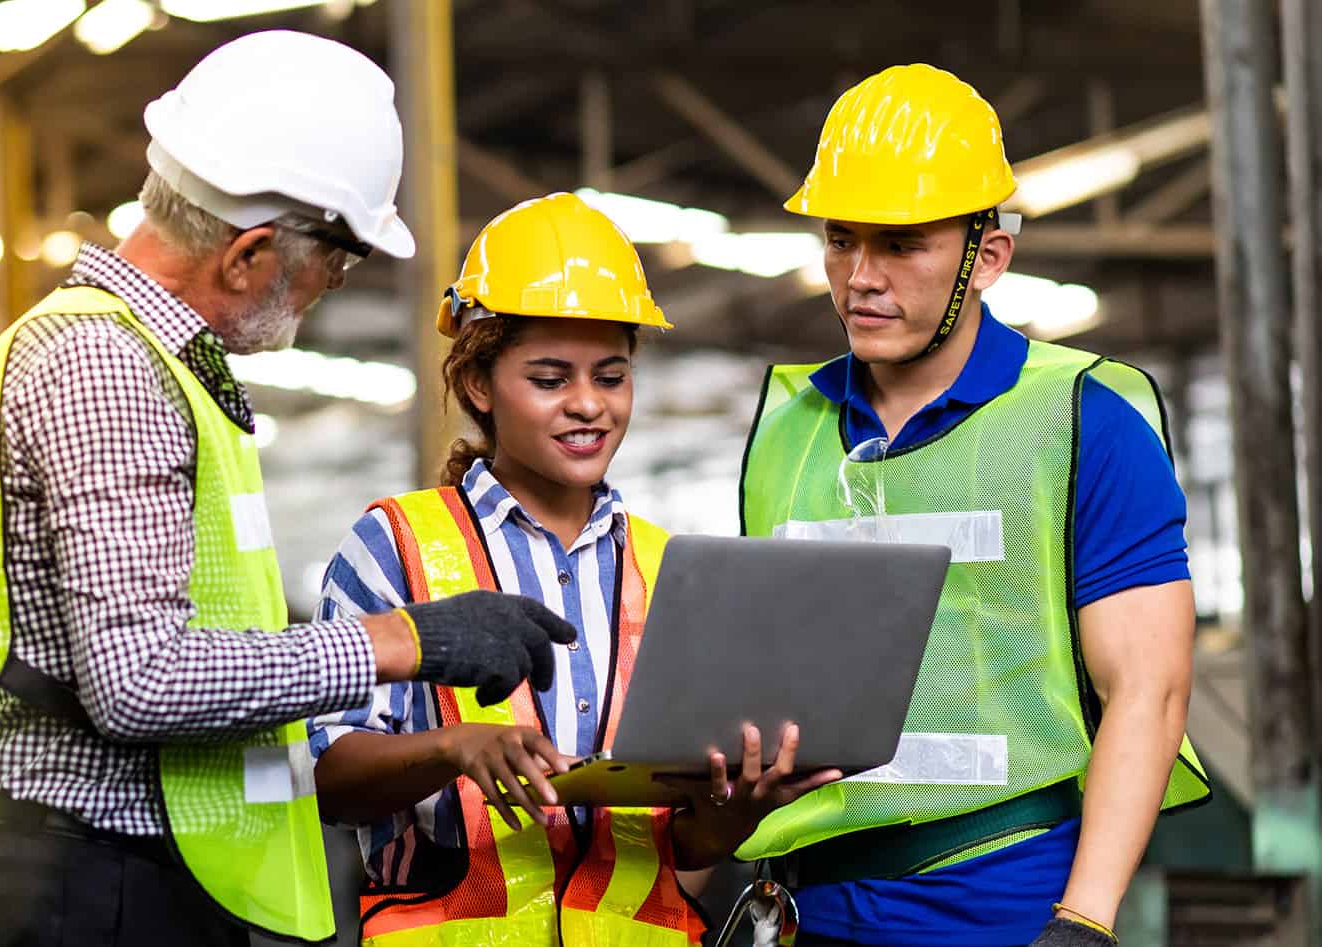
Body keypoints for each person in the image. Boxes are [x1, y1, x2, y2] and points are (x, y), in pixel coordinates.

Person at [0, 32, 579, 947]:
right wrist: (403, 641)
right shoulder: (106, 369)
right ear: (250, 253)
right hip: (88, 896)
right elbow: (139, 681)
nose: (329, 288)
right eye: (336, 262)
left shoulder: (144, 361)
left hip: (104, 878)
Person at [735, 64, 1211, 947]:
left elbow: (1147, 686)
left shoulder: (1082, 418)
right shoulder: (784, 428)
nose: (859, 277)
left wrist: (1084, 922)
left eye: (900, 244)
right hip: (804, 909)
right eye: (840, 240)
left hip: (999, 905)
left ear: (986, 255)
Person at [308, 192, 841, 946]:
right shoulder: (393, 544)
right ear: (478, 384)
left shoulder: (669, 569)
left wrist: (737, 809)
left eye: (611, 375)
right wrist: (452, 747)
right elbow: (329, 776)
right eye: (551, 378)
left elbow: (678, 849)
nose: (588, 405)